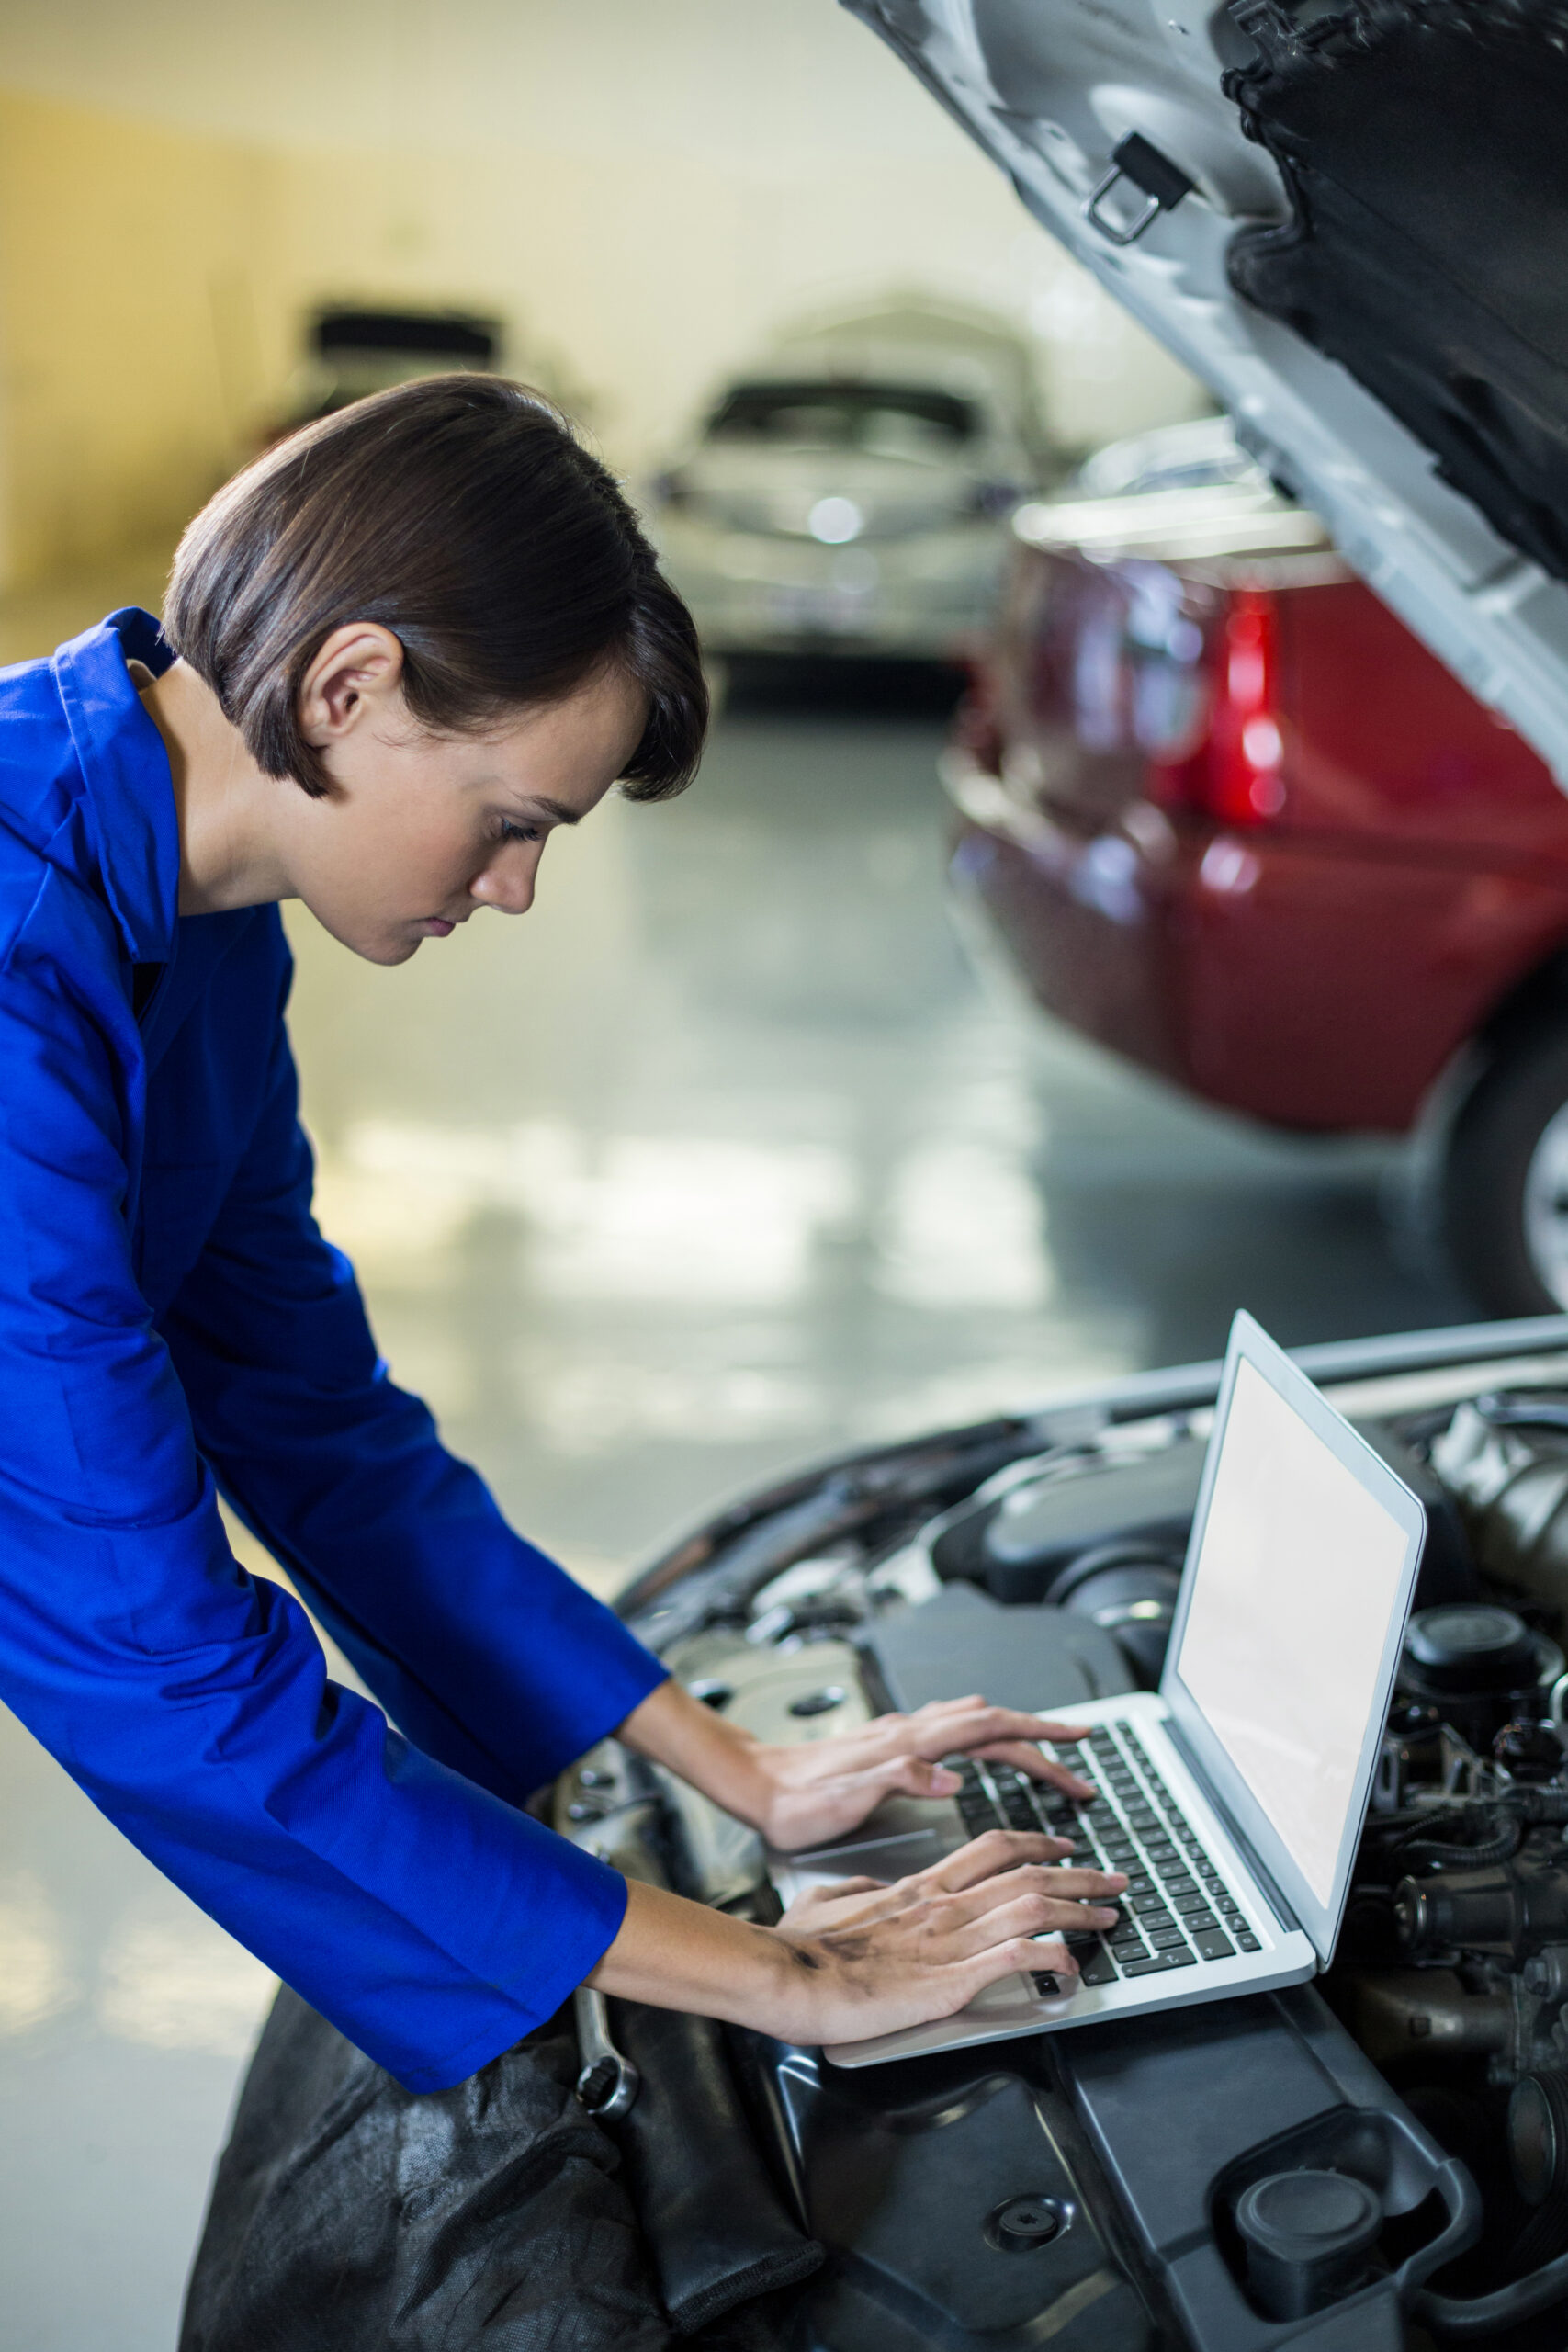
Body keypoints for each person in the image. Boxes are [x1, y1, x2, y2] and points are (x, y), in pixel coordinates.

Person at [0, 374, 1126, 2103]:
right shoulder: (19, 957)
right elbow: (162, 1668)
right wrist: (798, 1975)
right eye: (515, 821)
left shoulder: (196, 915)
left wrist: (738, 1772)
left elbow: (319, 1429)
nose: (514, 890)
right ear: (349, 684)